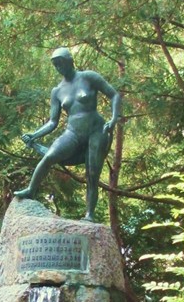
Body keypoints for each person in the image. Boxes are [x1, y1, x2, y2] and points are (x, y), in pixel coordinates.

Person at [14, 47, 122, 222]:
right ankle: (31, 189)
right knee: (49, 156)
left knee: (92, 173)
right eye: (55, 65)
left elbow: (114, 95)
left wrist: (114, 119)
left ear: (70, 61)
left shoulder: (88, 77)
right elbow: (52, 122)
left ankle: (89, 215)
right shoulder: (57, 91)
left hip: (97, 130)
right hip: (73, 132)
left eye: (60, 63)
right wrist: (34, 135)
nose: (58, 68)